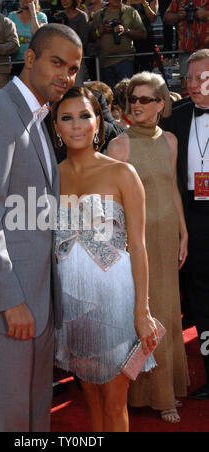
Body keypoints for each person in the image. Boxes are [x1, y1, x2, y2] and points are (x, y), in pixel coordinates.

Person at [0, 23, 83, 432]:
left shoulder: (35, 116)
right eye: (57, 62)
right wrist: (10, 301)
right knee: (9, 422)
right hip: (7, 307)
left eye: (74, 68)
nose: (66, 75)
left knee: (33, 419)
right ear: (30, 59)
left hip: (36, 302)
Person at [52, 86, 158, 432]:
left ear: (99, 121)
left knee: (115, 403)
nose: (77, 125)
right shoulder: (51, 177)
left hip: (114, 299)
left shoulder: (122, 173)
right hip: (69, 300)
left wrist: (141, 311)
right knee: (92, 399)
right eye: (66, 117)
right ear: (56, 126)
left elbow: (139, 247)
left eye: (85, 115)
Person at [107, 71, 190, 423]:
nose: (135, 105)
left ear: (161, 104)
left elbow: (173, 189)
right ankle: (145, 394)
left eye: (144, 99)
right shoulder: (119, 145)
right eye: (133, 99)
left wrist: (184, 233)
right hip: (134, 243)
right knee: (142, 313)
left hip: (168, 234)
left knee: (169, 313)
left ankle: (166, 392)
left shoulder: (170, 140)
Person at [164, 49, 209, 401]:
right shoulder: (175, 117)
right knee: (201, 299)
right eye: (188, 78)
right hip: (191, 218)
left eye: (201, 78)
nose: (192, 85)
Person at [89, 0, 146, 88]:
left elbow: (143, 34)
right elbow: (91, 37)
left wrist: (126, 30)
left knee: (125, 94)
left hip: (125, 60)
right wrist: (101, 30)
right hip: (105, 62)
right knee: (108, 97)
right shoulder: (99, 14)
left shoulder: (131, 11)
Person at [164, 0, 209, 96]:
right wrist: (178, 16)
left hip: (207, 51)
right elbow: (166, 18)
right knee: (187, 87)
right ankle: (189, 109)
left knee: (206, 85)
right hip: (186, 51)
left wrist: (206, 14)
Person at [52, 0, 88, 85]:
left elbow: (84, 41)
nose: (64, 1)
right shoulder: (58, 16)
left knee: (76, 86)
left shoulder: (81, 16)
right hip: (59, 58)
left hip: (75, 58)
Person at [8, 0, 47, 76]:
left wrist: (33, 14)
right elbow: (10, 39)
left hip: (35, 60)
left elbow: (38, 36)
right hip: (16, 62)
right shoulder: (12, 16)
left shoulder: (41, 16)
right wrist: (29, 40)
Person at [125, 0, 159, 73]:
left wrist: (144, 2)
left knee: (147, 70)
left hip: (146, 38)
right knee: (131, 70)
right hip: (129, 38)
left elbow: (153, 18)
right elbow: (124, 17)